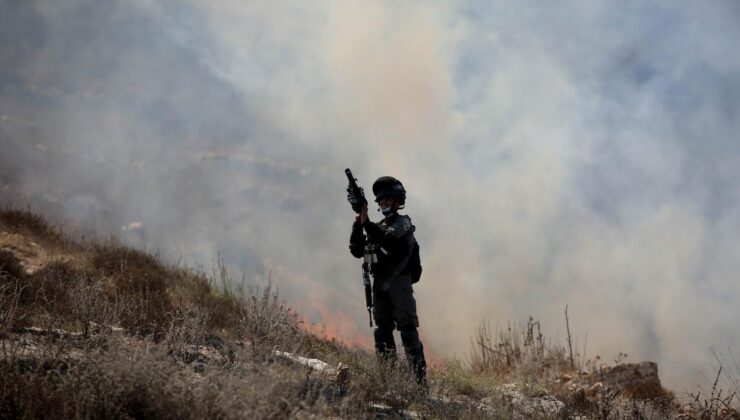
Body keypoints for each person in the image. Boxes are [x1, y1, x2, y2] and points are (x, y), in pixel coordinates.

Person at [348, 176, 427, 385]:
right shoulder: (378, 226)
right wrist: (359, 220)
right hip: (380, 285)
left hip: (399, 283)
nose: (384, 204)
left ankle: (420, 386)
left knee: (408, 330)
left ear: (397, 202)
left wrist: (366, 223)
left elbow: (388, 240)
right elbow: (356, 250)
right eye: (381, 202)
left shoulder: (404, 222)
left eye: (388, 201)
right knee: (382, 331)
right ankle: (390, 382)